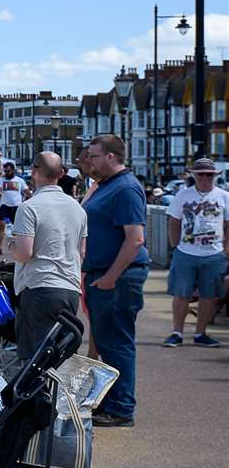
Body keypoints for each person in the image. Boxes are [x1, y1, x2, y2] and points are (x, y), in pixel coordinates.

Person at [80, 133, 149, 426]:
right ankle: (111, 402)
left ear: (110, 156)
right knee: (108, 343)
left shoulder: (126, 189)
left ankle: (121, 409)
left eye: (94, 156)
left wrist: (111, 276)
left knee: (117, 343)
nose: (89, 161)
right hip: (103, 274)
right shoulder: (107, 186)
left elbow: (135, 239)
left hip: (118, 278)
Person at [6, 151, 87, 375]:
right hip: (70, 289)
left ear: (34, 171)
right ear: (61, 173)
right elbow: (82, 253)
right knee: (62, 357)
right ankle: (59, 405)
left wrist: (8, 244)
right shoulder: (78, 209)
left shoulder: (29, 207)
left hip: (39, 287)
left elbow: (24, 253)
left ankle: (38, 408)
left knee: (35, 361)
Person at [164, 157, 229, 348]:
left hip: (214, 253)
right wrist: (175, 246)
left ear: (215, 176)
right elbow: (174, 221)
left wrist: (226, 249)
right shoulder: (183, 195)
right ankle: (177, 332)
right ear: (194, 175)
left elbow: (228, 225)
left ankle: (201, 333)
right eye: (201, 174)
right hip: (186, 251)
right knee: (181, 293)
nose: (204, 178)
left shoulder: (224, 196)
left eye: (209, 174)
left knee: (209, 295)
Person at [0, 163, 25, 253]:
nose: (6, 173)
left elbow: (26, 191)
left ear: (13, 170)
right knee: (1, 225)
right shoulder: (2, 180)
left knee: (18, 228)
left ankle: (21, 247)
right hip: (5, 206)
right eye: (5, 171)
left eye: (8, 171)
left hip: (17, 206)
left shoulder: (20, 181)